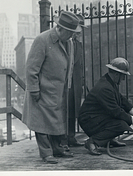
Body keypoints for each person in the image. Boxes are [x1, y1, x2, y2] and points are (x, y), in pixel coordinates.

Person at [22, 11, 81, 164]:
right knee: (40, 123)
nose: (72, 36)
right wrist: (34, 89)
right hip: (42, 90)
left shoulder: (69, 42)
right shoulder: (42, 40)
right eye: (70, 32)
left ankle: (58, 149)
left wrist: (66, 87)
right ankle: (46, 153)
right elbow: (31, 68)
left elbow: (69, 66)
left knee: (57, 121)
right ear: (61, 29)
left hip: (58, 91)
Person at [78, 57, 133, 156]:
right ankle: (92, 142)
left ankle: (107, 140)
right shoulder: (105, 87)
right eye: (123, 76)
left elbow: (123, 101)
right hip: (89, 121)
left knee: (121, 122)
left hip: (94, 118)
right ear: (116, 74)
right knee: (121, 125)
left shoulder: (109, 82)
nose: (123, 79)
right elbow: (115, 111)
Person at [60, 14, 85, 151]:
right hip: (65, 82)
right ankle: (63, 139)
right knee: (64, 110)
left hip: (75, 83)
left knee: (73, 110)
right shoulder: (65, 43)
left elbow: (79, 65)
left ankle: (71, 136)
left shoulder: (78, 44)